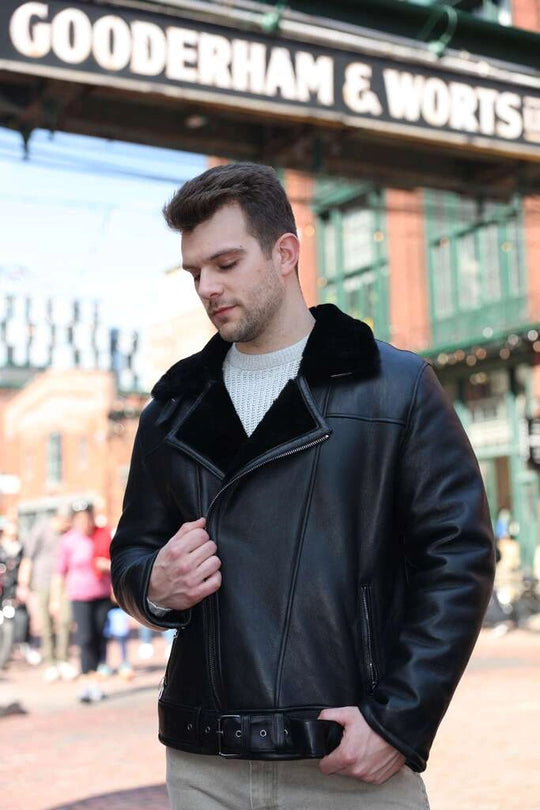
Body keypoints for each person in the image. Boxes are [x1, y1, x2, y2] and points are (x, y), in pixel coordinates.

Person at [110, 163, 495, 809]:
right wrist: (151, 585)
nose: (207, 286)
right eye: (195, 271)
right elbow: (131, 552)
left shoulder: (395, 387)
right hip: (206, 761)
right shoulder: (171, 408)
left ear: (285, 253)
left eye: (226, 263)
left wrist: (398, 721)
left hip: (346, 754)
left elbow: (458, 558)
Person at [51, 501, 112, 703]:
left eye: (87, 518)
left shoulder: (102, 535)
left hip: (102, 594)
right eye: (79, 519)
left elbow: (118, 563)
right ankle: (86, 680)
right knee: (84, 638)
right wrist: (55, 599)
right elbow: (60, 571)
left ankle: (95, 678)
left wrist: (107, 566)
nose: (84, 523)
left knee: (99, 636)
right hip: (79, 595)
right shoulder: (69, 541)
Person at [16, 509, 76, 681]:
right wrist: (23, 583)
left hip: (64, 582)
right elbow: (28, 558)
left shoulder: (68, 534)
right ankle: (51, 662)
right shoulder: (41, 530)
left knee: (65, 620)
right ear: (58, 518)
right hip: (42, 581)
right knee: (46, 623)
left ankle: (64, 659)